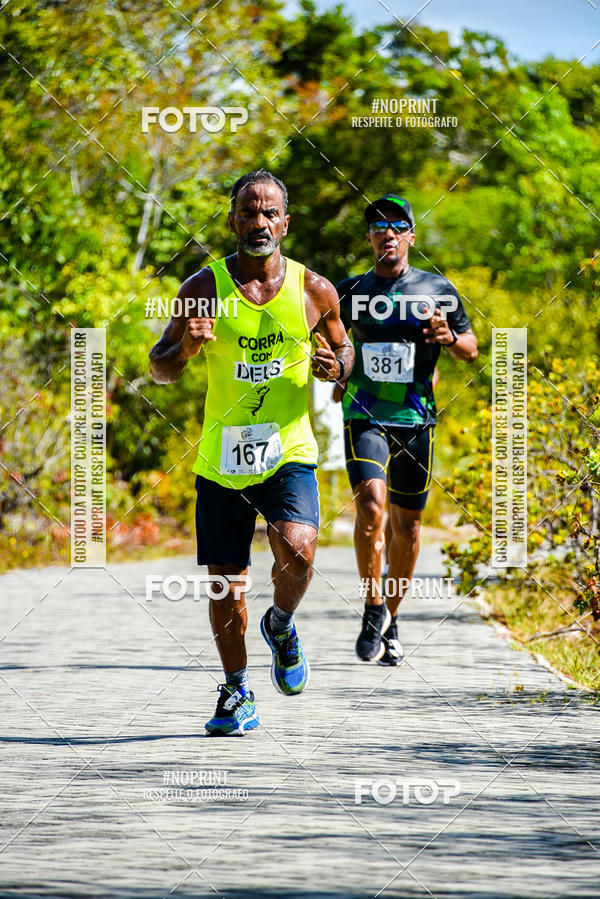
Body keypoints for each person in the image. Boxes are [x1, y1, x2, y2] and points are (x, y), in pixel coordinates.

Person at [150, 170, 353, 735]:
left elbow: (344, 350)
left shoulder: (314, 289)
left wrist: (338, 369)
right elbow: (159, 367)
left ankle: (281, 625)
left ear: (285, 223)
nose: (258, 222)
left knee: (300, 550)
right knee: (225, 584)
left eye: (269, 214)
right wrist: (186, 347)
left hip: (287, 447)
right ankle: (237, 691)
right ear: (232, 220)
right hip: (223, 458)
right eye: (248, 212)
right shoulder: (201, 287)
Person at [333, 194, 478, 665]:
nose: (387, 232)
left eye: (397, 225)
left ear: (411, 236)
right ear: (370, 238)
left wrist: (449, 338)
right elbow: (332, 343)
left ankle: (392, 618)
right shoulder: (350, 291)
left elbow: (471, 349)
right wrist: (336, 369)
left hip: (416, 419)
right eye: (378, 226)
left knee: (408, 526)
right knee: (371, 509)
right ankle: (373, 605)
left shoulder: (437, 289)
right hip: (365, 414)